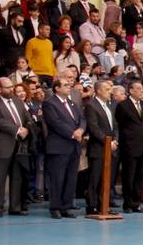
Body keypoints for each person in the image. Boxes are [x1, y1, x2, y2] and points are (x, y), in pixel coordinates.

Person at [0, 77, 30, 216]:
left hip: (19, 144)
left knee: (17, 177)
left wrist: (27, 128)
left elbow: (26, 117)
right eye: (8, 87)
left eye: (12, 86)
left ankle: (15, 207)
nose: (11, 89)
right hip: (2, 144)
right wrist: (17, 130)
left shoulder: (18, 101)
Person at [41, 76, 84, 219]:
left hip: (74, 146)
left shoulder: (72, 103)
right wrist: (73, 133)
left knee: (71, 178)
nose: (68, 86)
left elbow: (82, 119)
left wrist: (81, 130)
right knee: (57, 178)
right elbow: (55, 122)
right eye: (65, 84)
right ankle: (55, 207)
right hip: (59, 146)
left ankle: (66, 206)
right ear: (57, 88)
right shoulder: (49, 103)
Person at [83, 80, 117, 216]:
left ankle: (104, 205)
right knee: (95, 178)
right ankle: (92, 205)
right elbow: (94, 127)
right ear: (98, 91)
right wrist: (107, 142)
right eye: (107, 89)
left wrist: (115, 141)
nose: (110, 92)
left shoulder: (108, 105)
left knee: (107, 178)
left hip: (110, 146)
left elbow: (114, 124)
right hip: (98, 148)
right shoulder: (91, 105)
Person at [116, 80, 143, 214]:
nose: (142, 91)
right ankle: (127, 203)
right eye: (139, 89)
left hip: (142, 146)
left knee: (140, 176)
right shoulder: (123, 106)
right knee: (128, 176)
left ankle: (137, 202)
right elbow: (121, 125)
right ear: (131, 91)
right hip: (129, 146)